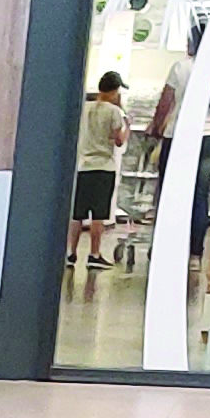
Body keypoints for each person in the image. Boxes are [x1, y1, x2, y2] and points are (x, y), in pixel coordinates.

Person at [73, 69, 130, 272]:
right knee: (98, 214)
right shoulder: (113, 112)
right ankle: (94, 254)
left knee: (77, 213)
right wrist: (127, 125)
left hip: (83, 165)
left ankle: (71, 253)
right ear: (115, 91)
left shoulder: (85, 108)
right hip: (103, 166)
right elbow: (119, 140)